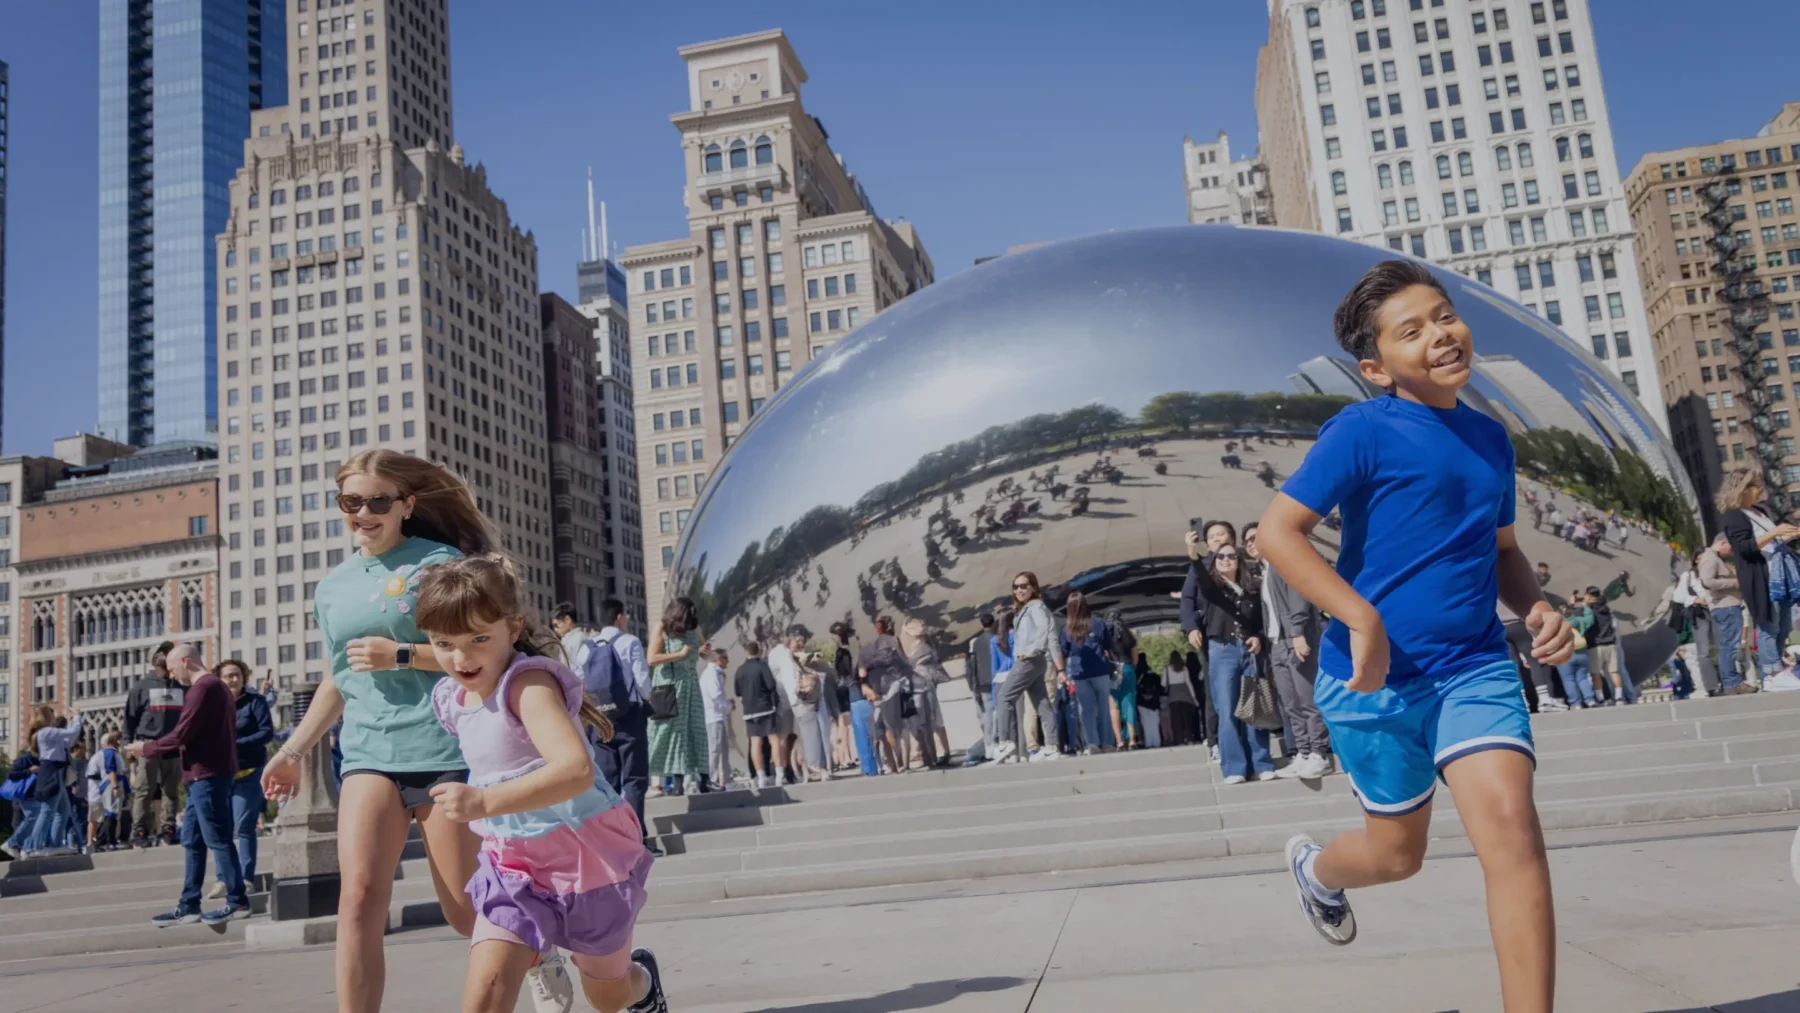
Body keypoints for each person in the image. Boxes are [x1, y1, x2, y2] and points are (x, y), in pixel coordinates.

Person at [1259, 260, 1572, 1012]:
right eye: (1413, 329)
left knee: (1512, 830)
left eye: (1444, 315)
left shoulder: (1492, 440)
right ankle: (1319, 870)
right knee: (1398, 856)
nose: (1440, 334)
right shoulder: (1362, 429)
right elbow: (1278, 532)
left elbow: (1501, 550)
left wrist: (1534, 609)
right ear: (1376, 366)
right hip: (1370, 683)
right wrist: (1360, 616)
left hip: (1472, 667)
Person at [260, 450, 574, 1013]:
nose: (364, 512)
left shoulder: (441, 563)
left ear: (406, 504)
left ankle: (536, 954)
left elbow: (481, 652)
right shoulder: (331, 589)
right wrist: (292, 750)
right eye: (351, 502)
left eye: (378, 500)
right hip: (368, 754)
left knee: (463, 912)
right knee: (357, 901)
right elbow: (339, 677)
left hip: (444, 749)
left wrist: (401, 654)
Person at [413, 555, 666, 1013]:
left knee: (607, 996)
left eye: (479, 639)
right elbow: (457, 648)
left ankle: (643, 984)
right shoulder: (455, 695)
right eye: (443, 643)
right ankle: (538, 953)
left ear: (514, 628)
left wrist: (485, 799)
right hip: (510, 862)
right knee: (486, 988)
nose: (461, 657)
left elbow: (575, 769)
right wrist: (399, 656)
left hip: (583, 855)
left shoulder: (526, 685)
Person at [127, 644, 250, 925]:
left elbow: (181, 734)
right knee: (192, 839)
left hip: (207, 774)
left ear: (186, 661)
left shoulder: (204, 687)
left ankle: (238, 901)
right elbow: (193, 735)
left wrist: (145, 748)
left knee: (217, 838)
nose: (171, 676)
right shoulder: (214, 688)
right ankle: (189, 903)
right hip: (202, 774)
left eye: (173, 669)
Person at [1198, 546, 1274, 784]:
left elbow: (1264, 621)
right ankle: (1234, 767)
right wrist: (1193, 555)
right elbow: (1201, 577)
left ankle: (1261, 763)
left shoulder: (1252, 589)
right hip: (1222, 650)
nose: (1226, 560)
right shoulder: (1212, 588)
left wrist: (1258, 637)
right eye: (1220, 556)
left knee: (1254, 706)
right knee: (1227, 709)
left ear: (1240, 561)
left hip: (1248, 650)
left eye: (1231, 556)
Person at [1719, 468, 1800, 687]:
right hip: (1761, 577)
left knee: (1783, 625)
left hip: (1778, 575)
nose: (1760, 490)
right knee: (1768, 625)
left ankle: (1776, 671)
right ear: (1742, 489)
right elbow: (1744, 547)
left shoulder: (1760, 511)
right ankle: (1771, 674)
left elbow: (1770, 541)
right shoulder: (1735, 516)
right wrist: (1774, 533)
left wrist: (1787, 535)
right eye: (1755, 486)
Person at [1264, 540, 1333, 778]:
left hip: (1295, 638)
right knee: (1291, 703)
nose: (1252, 545)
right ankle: (1303, 752)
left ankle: (1319, 753)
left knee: (1307, 699)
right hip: (1277, 643)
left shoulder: (1283, 561)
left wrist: (1297, 632)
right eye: (1248, 541)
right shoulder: (1264, 569)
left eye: (1256, 539)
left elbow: (1298, 596)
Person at [588, 598, 654, 847]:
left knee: (607, 782)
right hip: (629, 718)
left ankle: (613, 841)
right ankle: (637, 840)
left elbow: (577, 681)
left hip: (599, 720)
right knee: (635, 779)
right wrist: (649, 697)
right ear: (619, 617)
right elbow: (643, 684)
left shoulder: (588, 646)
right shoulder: (630, 642)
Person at [990, 572, 1064, 764]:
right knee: (1042, 702)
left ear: (1033, 587)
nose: (1019, 590)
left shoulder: (1035, 607)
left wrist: (1032, 650)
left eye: (1024, 586)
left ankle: (1004, 742)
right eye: (1015, 587)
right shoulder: (1027, 608)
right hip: (1036, 660)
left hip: (1029, 660)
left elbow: (1044, 629)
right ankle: (1052, 746)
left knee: (1004, 697)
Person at [123, 642, 183, 847]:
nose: (169, 655)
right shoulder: (141, 687)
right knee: (144, 789)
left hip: (173, 745)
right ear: (155, 658)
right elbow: (130, 719)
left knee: (171, 790)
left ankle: (168, 829)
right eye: (164, 652)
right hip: (146, 745)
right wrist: (128, 746)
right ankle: (139, 832)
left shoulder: (182, 684)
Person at [220, 659, 273, 887]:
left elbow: (266, 732)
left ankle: (245, 877)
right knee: (223, 828)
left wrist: (237, 744)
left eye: (237, 675)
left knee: (244, 825)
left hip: (248, 771)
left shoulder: (255, 702)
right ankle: (224, 879)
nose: (233, 679)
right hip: (221, 773)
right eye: (228, 676)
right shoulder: (215, 704)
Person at [646, 597, 707, 795]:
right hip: (670, 688)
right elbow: (652, 658)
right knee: (671, 734)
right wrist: (678, 655)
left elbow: (703, 650)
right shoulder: (662, 628)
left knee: (695, 730)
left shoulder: (693, 629)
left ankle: (703, 778)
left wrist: (705, 651)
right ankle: (672, 783)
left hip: (690, 686)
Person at [858, 616, 934, 771]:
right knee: (909, 726)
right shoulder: (893, 642)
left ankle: (893, 764)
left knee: (884, 731)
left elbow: (860, 673)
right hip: (897, 688)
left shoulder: (867, 648)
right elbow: (903, 662)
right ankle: (914, 761)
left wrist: (866, 682)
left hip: (878, 691)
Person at [1059, 592, 1116, 755]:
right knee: (1103, 708)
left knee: (1086, 710)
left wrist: (1062, 671)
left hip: (1079, 674)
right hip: (1100, 671)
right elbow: (1108, 645)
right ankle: (1107, 742)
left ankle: (1092, 743)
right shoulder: (1098, 623)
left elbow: (1064, 651)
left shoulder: (1066, 630)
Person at [23, 703, 83, 856]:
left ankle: (54, 845)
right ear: (46, 717)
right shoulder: (47, 732)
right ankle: (34, 847)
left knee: (63, 811)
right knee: (48, 811)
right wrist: (77, 715)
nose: (54, 716)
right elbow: (73, 732)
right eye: (52, 714)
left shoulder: (46, 733)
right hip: (52, 773)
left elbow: (68, 741)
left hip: (55, 772)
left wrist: (71, 722)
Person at [1699, 534, 1755, 694]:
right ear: (1722, 543)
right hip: (1725, 606)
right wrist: (1734, 582)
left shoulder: (1713, 558)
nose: (1731, 552)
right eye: (1730, 548)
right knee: (1730, 644)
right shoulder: (1710, 558)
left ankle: (1731, 681)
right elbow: (1707, 581)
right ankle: (1732, 682)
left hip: (1727, 606)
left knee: (1729, 644)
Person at [769, 626, 826, 782]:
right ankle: (783, 770)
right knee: (785, 737)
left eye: (802, 641)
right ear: (788, 638)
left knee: (802, 736)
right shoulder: (778, 654)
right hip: (786, 701)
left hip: (798, 699)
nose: (800, 643)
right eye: (797, 640)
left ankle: (805, 768)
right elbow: (776, 677)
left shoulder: (796, 654)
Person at [901, 617, 952, 765]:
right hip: (923, 686)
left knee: (933, 720)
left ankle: (941, 752)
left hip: (926, 686)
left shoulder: (922, 648)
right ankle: (934, 752)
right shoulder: (923, 645)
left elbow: (910, 663)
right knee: (930, 721)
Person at [1670, 550, 1718, 697]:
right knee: (1699, 656)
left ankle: (1711, 686)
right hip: (1698, 620)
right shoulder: (1689, 577)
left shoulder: (1715, 572)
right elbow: (1678, 599)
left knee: (1710, 654)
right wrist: (1696, 600)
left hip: (1712, 616)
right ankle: (1707, 687)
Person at [734, 643, 783, 788]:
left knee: (755, 742)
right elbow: (770, 685)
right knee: (774, 739)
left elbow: (737, 692)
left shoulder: (740, 670)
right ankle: (779, 775)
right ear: (759, 651)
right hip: (765, 707)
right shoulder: (762, 666)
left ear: (745, 652)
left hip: (749, 711)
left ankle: (760, 777)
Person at [834, 622, 879, 776]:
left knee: (862, 734)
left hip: (855, 694)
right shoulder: (855, 650)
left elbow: (849, 674)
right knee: (866, 732)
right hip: (858, 694)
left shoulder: (843, 653)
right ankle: (870, 766)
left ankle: (869, 768)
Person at [1583, 587, 1632, 704]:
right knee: (1614, 671)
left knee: (1595, 673)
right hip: (1610, 644)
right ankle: (1619, 696)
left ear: (1589, 596)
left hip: (1596, 645)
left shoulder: (1589, 610)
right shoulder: (1606, 609)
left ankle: (1600, 698)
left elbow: (1586, 623)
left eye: (1585, 596)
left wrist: (1583, 607)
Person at [87, 731, 126, 852]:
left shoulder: (113, 753)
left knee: (112, 815)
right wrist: (115, 786)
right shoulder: (109, 753)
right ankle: (103, 841)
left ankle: (108, 840)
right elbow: (111, 770)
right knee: (111, 814)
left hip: (113, 783)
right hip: (111, 784)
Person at [1105, 611, 1139, 749]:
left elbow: (1105, 655)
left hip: (1113, 671)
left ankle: (1119, 741)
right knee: (1129, 704)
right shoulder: (1129, 636)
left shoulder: (1106, 636)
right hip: (1128, 669)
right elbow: (1135, 658)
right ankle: (1132, 740)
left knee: (1114, 707)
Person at [551, 603, 598, 673]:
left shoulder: (578, 639)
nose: (555, 629)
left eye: (556, 625)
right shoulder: (570, 639)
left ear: (567, 620)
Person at [1134, 652, 1164, 748]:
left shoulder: (1136, 675)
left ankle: (1148, 743)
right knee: (1154, 722)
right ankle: (1156, 742)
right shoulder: (1154, 676)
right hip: (1154, 702)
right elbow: (1161, 689)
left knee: (1145, 723)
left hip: (1141, 702)